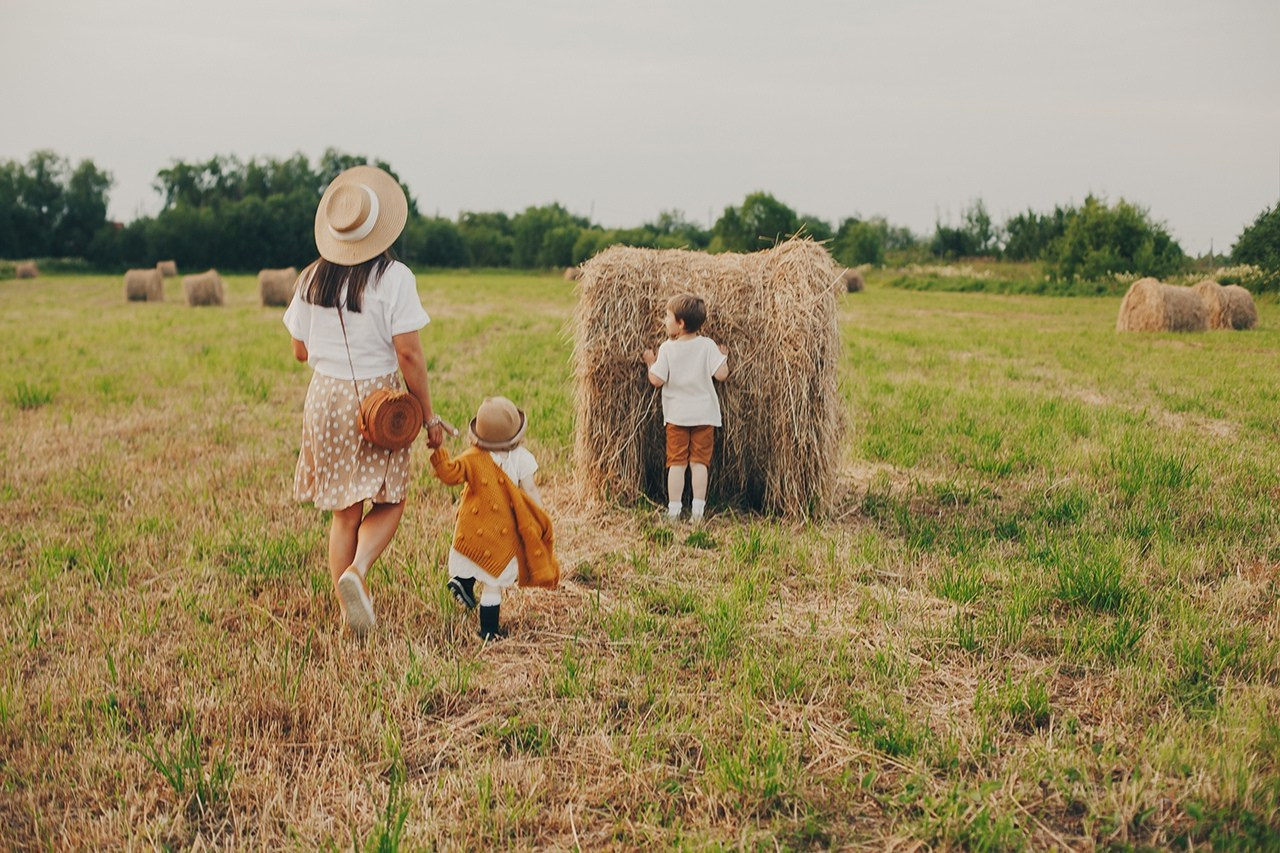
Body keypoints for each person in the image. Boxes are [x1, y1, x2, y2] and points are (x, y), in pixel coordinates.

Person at [284, 165, 446, 634]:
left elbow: (299, 351)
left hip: (324, 399)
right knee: (390, 499)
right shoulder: (395, 277)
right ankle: (358, 571)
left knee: (344, 511)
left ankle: (346, 610)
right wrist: (428, 414)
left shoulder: (312, 277)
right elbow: (409, 353)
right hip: (379, 403)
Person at [431, 396, 558, 640]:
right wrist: (540, 516)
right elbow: (530, 490)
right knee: (493, 582)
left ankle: (463, 582)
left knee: (470, 556)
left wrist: (438, 453)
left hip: (473, 526)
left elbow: (449, 474)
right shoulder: (522, 458)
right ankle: (489, 630)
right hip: (503, 534)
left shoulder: (472, 457)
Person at [642, 293, 730, 522]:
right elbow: (722, 375)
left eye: (667, 316)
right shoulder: (708, 345)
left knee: (677, 464)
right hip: (704, 416)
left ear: (680, 324)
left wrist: (651, 362)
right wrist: (723, 357)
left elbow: (656, 380)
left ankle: (674, 510)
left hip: (677, 417)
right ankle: (698, 512)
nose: (664, 320)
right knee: (700, 463)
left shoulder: (668, 349)